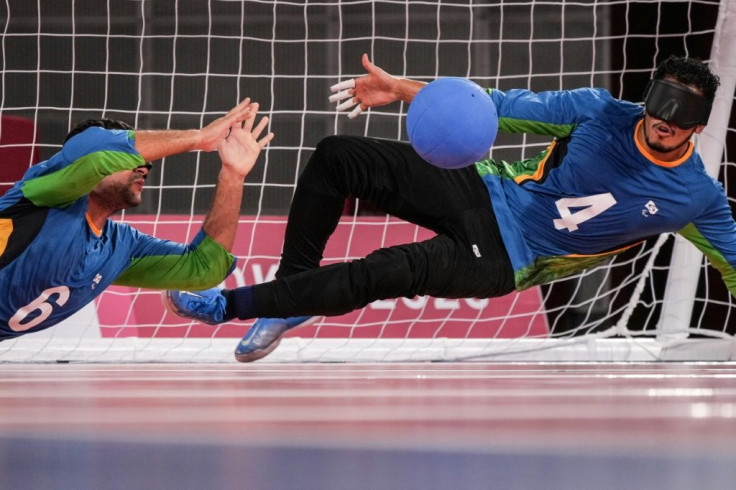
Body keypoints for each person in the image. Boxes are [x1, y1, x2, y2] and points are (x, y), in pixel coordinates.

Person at [165, 54, 734, 363]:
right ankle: (290, 296)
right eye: (660, 104)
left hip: (512, 258)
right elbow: (495, 107)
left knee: (387, 269)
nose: (664, 120)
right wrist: (404, 90)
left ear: (699, 126)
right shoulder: (597, 111)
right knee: (338, 156)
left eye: (681, 116)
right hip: (483, 190)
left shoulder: (697, 198)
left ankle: (227, 306)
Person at [0, 98, 274, 339]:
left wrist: (233, 176)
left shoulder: (120, 246)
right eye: (133, 159)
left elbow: (205, 268)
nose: (145, 167)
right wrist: (198, 138)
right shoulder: (43, 191)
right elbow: (95, 153)